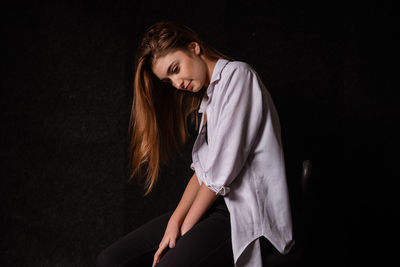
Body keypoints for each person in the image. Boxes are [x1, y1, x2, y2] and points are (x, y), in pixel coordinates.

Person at [95, 21, 294, 267]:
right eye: (169, 80)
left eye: (175, 68)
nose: (177, 83)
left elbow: (219, 175)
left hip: (244, 213)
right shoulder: (209, 100)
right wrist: (174, 222)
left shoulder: (238, 77)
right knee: (110, 260)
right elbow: (202, 173)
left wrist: (185, 230)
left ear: (194, 47)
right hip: (216, 208)